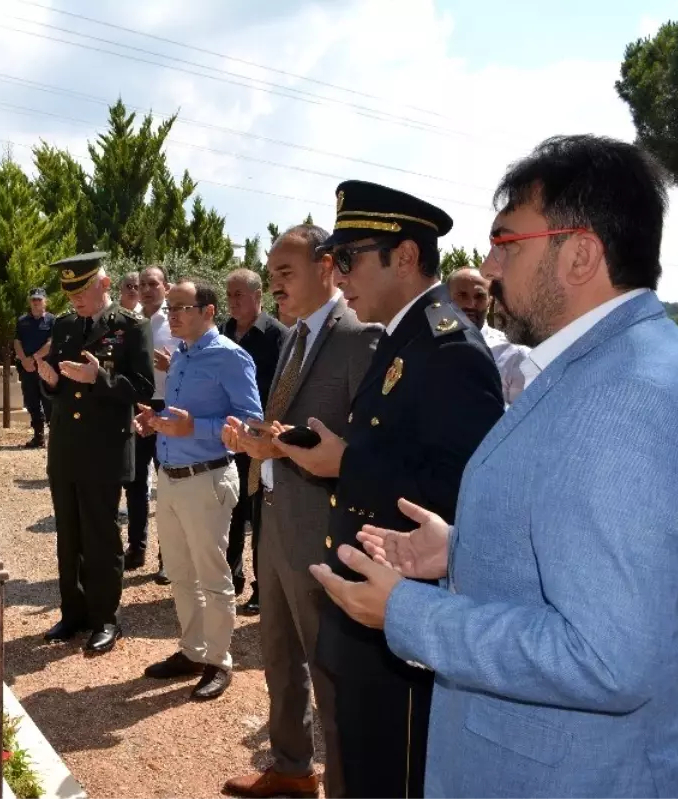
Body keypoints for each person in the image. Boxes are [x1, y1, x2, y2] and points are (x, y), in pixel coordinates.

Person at [316, 136, 678, 798]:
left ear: (580, 254)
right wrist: (461, 552)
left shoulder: (632, 397)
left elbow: (607, 657)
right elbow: (587, 563)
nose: (487, 266)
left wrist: (408, 612)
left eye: (506, 242)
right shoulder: (606, 366)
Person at [273, 180, 504, 799]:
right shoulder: (404, 335)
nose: (337, 273)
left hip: (403, 616)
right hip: (371, 608)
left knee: (393, 774)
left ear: (403, 257)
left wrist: (345, 465)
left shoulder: (446, 345)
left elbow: (463, 493)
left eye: (349, 258)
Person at [221, 226, 380, 799]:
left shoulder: (361, 336)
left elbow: (366, 444)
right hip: (276, 516)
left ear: (326, 268)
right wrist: (258, 439)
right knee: (279, 654)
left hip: (323, 528)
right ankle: (291, 768)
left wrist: (283, 446)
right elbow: (292, 425)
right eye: (271, 273)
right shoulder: (293, 338)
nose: (274, 284)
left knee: (330, 670)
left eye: (284, 273)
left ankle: (345, 784)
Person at [135, 278, 262, 700]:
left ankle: (219, 661)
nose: (172, 315)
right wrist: (154, 421)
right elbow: (177, 415)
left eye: (181, 307)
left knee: (213, 576)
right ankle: (192, 651)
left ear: (208, 312)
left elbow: (250, 423)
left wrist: (197, 428)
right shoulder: (182, 357)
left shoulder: (231, 357)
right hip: (170, 478)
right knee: (180, 573)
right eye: (170, 308)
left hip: (207, 478)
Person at [37, 252, 154, 655]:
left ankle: (105, 619)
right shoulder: (66, 325)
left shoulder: (131, 327)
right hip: (67, 446)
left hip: (104, 449)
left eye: (81, 290)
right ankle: (74, 614)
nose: (74, 300)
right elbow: (54, 384)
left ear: (104, 284)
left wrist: (99, 378)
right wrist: (49, 382)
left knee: (101, 538)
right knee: (68, 536)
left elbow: (142, 388)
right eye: (69, 292)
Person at [221, 268, 287, 614]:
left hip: (262, 442)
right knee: (231, 511)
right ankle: (232, 577)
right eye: (229, 295)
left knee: (261, 517)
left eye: (238, 295)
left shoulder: (279, 336)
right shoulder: (224, 333)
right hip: (229, 439)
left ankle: (264, 587)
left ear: (258, 296)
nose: (231, 301)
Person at [123, 264, 179, 584]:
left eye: (153, 284)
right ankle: (136, 546)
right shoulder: (131, 323)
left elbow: (189, 364)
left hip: (168, 408)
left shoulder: (175, 323)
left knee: (167, 484)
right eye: (142, 284)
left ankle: (166, 556)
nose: (146, 289)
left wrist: (172, 366)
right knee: (134, 481)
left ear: (166, 288)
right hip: (137, 407)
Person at [447, 268, 531, 405]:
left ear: (489, 301)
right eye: (462, 295)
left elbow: (523, 416)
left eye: (479, 296)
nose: (471, 304)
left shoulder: (515, 355)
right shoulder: (426, 347)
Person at [14, 287, 55, 449]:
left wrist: (34, 358)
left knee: (49, 401)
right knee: (31, 402)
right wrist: (24, 360)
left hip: (45, 367)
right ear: (30, 302)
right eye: (33, 299)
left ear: (45, 301)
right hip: (27, 369)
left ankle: (55, 437)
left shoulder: (52, 320)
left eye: (39, 299)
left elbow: (52, 342)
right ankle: (38, 437)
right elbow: (17, 342)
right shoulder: (22, 320)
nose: (36, 302)